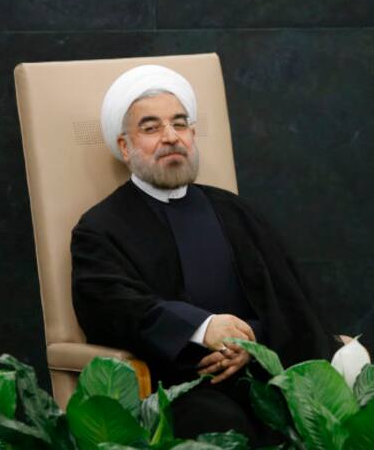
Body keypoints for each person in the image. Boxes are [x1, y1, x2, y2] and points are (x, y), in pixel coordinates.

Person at [71, 64, 335, 443]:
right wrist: (204, 328)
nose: (171, 137)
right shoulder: (100, 227)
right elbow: (113, 308)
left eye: (180, 124)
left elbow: (288, 301)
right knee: (221, 428)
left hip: (265, 370)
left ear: (192, 135)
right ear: (125, 147)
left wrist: (250, 343)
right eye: (151, 128)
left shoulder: (235, 211)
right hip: (179, 384)